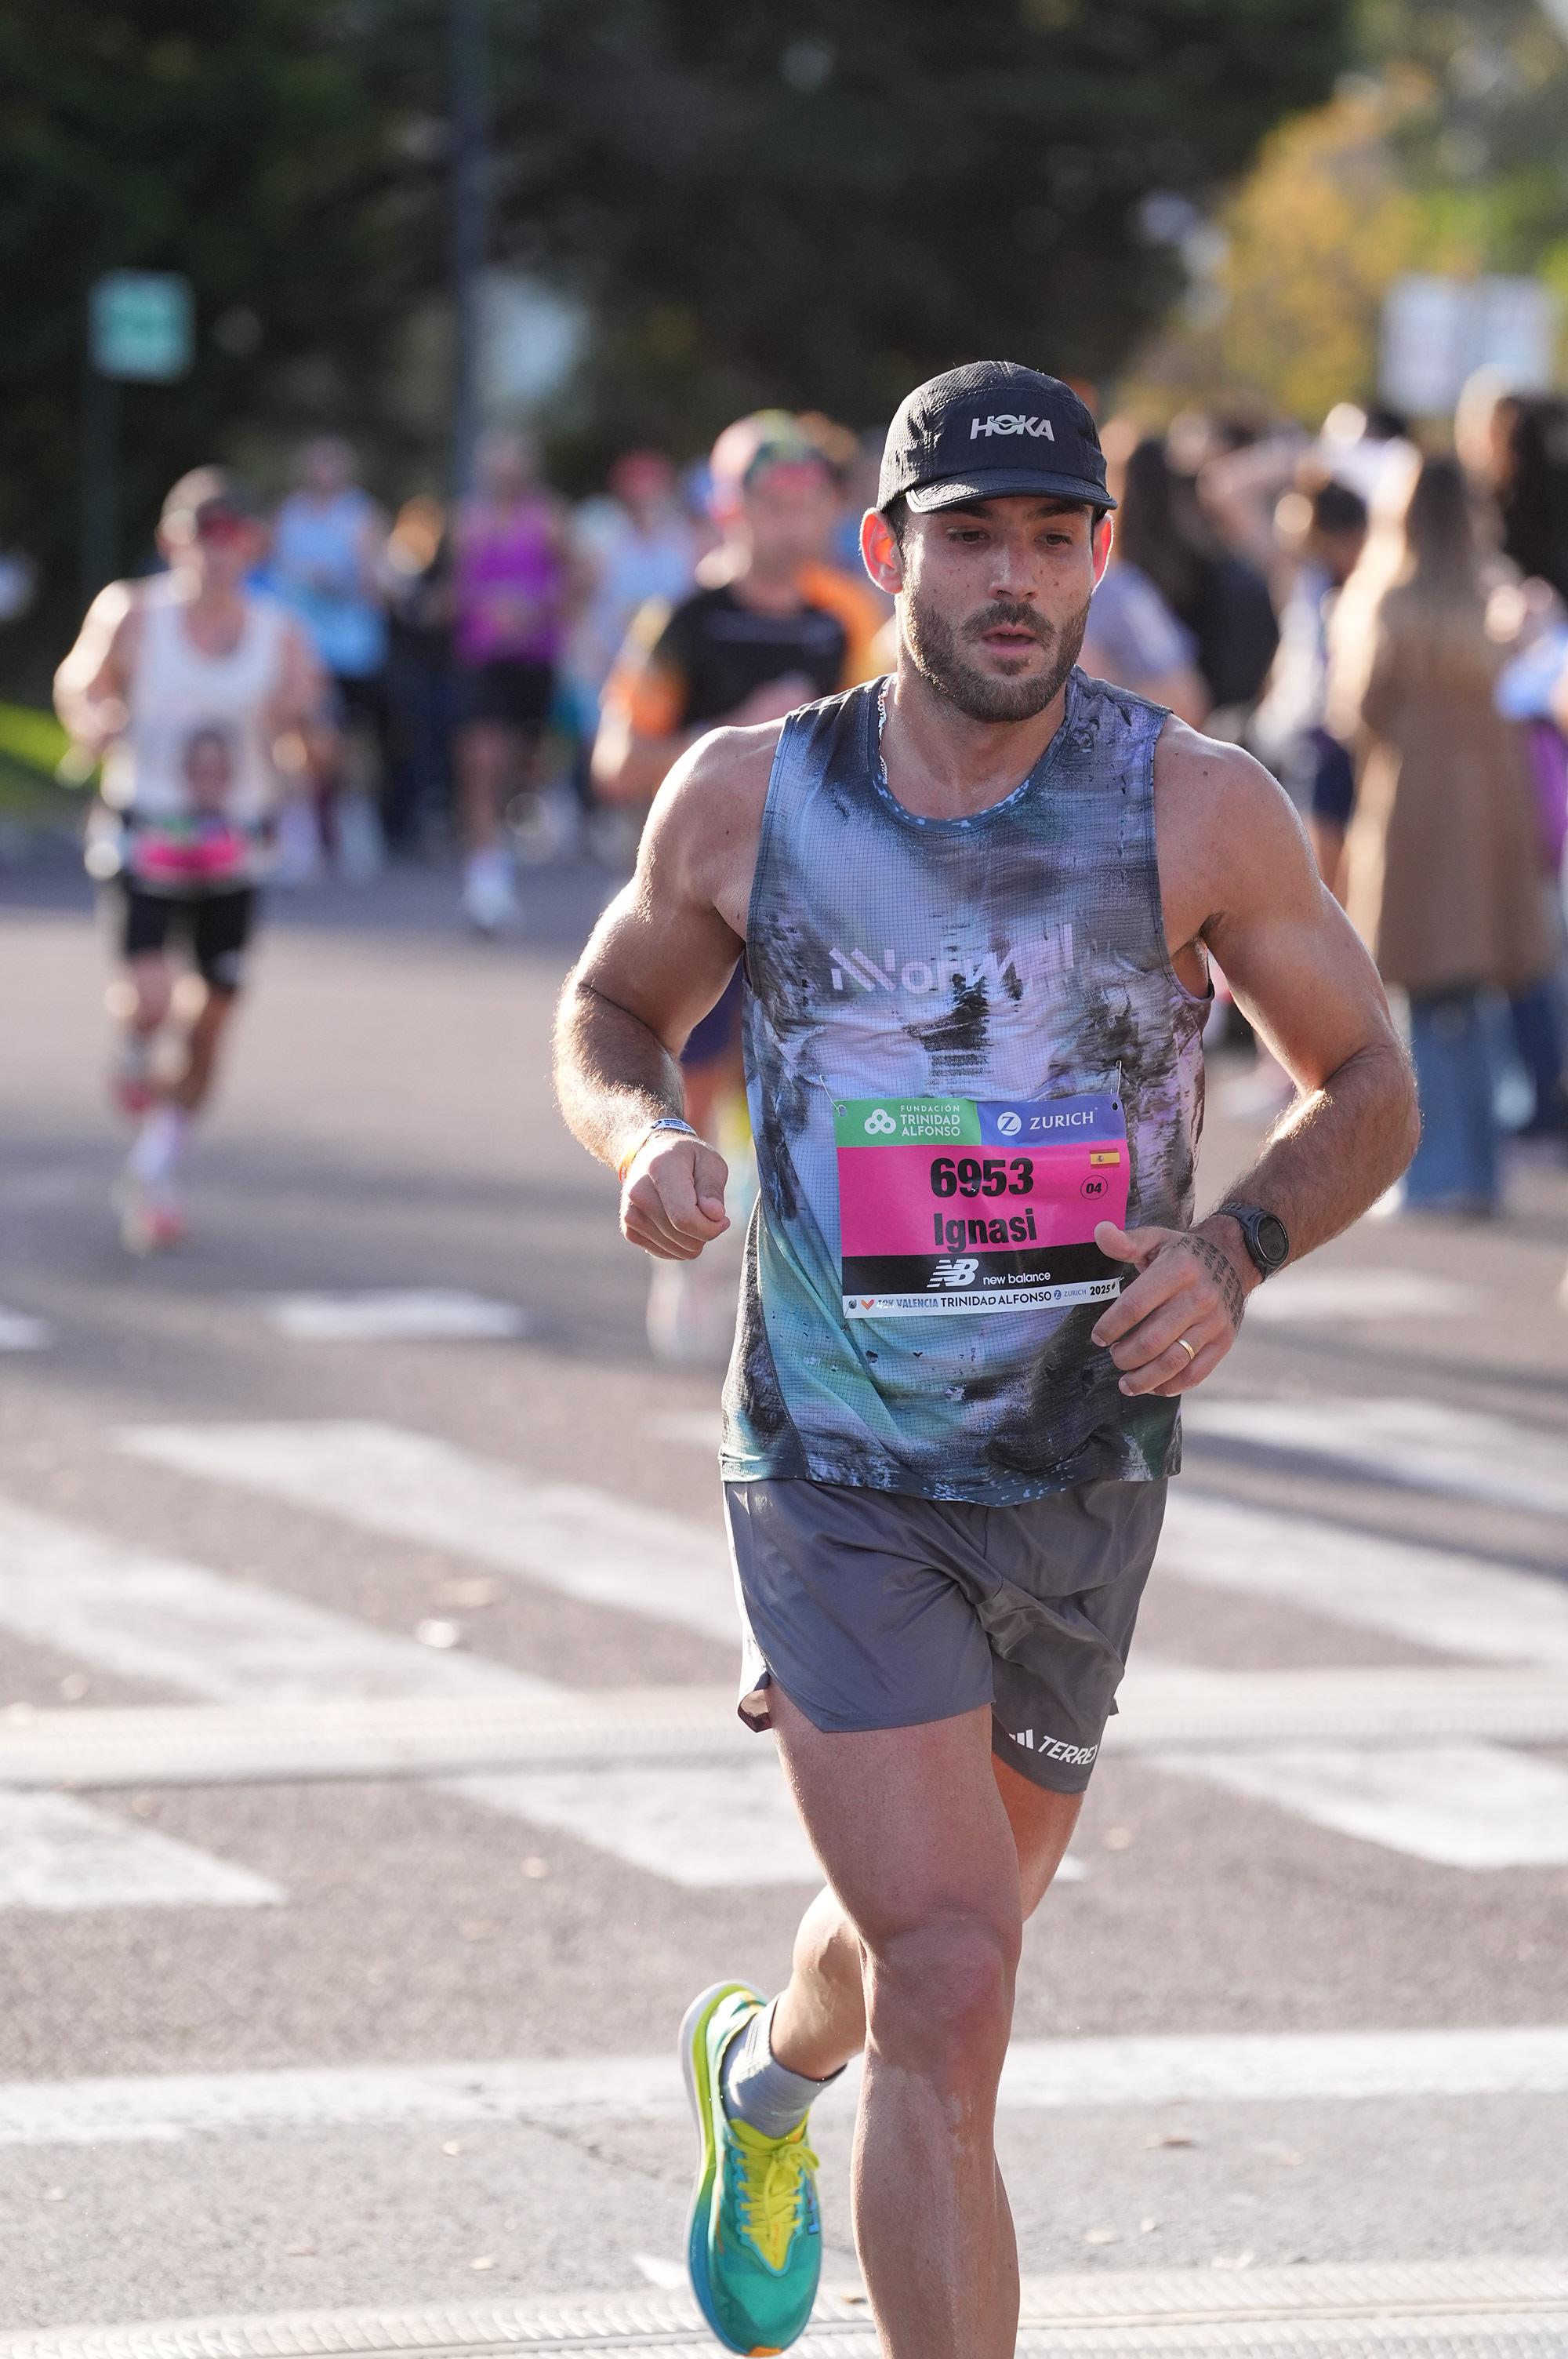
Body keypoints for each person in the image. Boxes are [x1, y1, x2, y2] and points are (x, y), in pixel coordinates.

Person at [554, 360, 1418, 2359]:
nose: (1010, 579)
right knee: (951, 1972)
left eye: (1049, 537)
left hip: (1081, 1464)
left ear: (1101, 553)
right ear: (885, 551)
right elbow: (610, 1006)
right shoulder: (751, 796)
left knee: (933, 1941)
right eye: (967, 538)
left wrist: (1235, 1247)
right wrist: (644, 1135)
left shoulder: (1195, 803)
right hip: (833, 1465)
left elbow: (1366, 1075)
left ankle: (761, 2075)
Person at [592, 410, 884, 1364]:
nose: (790, 518)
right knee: (702, 1083)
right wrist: (735, 732)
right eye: (769, 498)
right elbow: (616, 762)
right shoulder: (683, 619)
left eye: (807, 498)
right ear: (726, 506)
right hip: (703, 895)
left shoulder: (846, 616)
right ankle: (688, 1258)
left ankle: (781, 1283)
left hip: (817, 893)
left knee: (804, 1098)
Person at [54, 468, 325, 1251]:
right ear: (171, 541)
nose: (215, 552)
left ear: (252, 545)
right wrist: (95, 718)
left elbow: (311, 737)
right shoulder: (133, 612)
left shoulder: (279, 631)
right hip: (147, 831)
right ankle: (137, 1046)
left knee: (209, 1022)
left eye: (231, 536)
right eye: (200, 535)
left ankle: (157, 1166)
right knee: (148, 997)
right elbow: (79, 683)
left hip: (235, 845)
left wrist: (299, 738)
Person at [1328, 453, 1555, 1216]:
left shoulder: (1387, 599)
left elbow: (1357, 711)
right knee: (1480, 1000)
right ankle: (1481, 1170)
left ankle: (1430, 1173)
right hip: (1495, 811)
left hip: (1416, 810)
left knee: (1423, 1002)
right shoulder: (1499, 599)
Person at [450, 427, 571, 932]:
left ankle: (522, 828)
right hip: (483, 659)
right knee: (480, 761)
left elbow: (575, 583)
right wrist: (486, 608)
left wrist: (533, 609)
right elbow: (456, 589)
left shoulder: (548, 519)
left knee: (523, 764)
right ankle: (485, 881)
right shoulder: (469, 521)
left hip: (534, 660)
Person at [270, 438, 392, 867]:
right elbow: (280, 580)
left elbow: (378, 585)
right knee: (301, 737)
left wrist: (344, 579)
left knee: (354, 741)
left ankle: (354, 825)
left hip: (355, 651)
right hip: (306, 650)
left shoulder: (362, 516)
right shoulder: (290, 516)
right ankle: (301, 832)